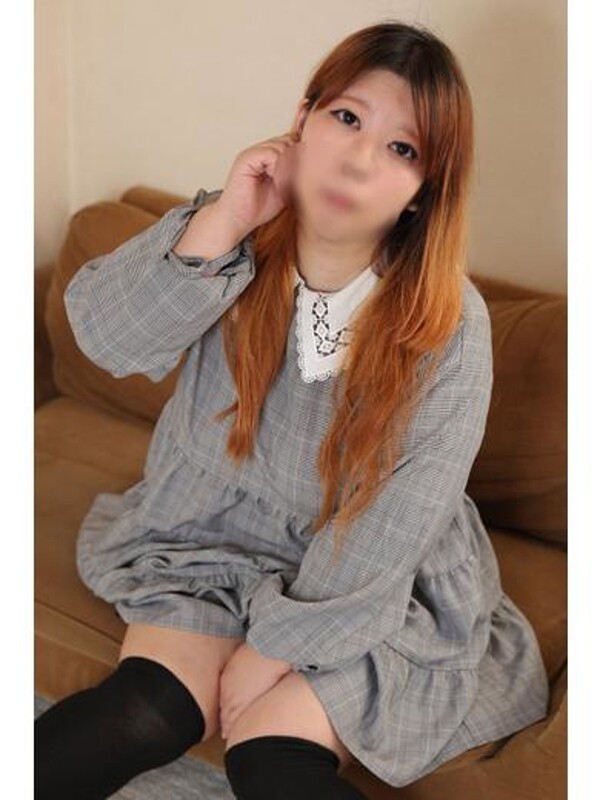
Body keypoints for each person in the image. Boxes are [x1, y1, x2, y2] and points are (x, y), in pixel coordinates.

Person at [34, 18, 550, 800]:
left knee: (269, 754)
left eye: (402, 148)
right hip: (206, 534)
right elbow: (106, 338)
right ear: (302, 119)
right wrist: (225, 221)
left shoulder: (447, 325)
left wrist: (273, 647)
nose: (358, 159)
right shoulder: (231, 237)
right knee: (146, 710)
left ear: (423, 191)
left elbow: (395, 519)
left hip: (368, 578)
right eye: (346, 117)